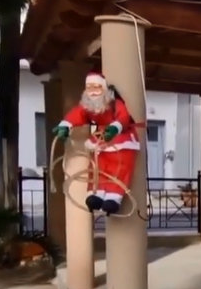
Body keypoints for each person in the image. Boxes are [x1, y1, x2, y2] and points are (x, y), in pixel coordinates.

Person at [53, 71, 140, 215]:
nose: (93, 91)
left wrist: (114, 128)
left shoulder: (115, 104)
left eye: (96, 87)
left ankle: (113, 197)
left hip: (121, 139)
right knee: (97, 168)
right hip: (100, 139)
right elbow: (77, 114)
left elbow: (123, 116)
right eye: (89, 87)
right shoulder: (88, 106)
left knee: (119, 169)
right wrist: (66, 125)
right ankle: (96, 194)